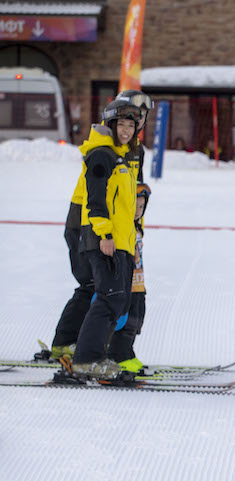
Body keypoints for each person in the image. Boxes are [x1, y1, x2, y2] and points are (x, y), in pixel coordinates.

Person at [41, 90, 152, 363]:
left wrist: (135, 230)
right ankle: (73, 347)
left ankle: (74, 344)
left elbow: (135, 193)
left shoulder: (132, 149)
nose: (136, 122)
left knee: (100, 288)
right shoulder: (105, 150)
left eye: (140, 116)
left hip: (113, 223)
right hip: (85, 221)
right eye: (126, 117)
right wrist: (105, 231)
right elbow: (96, 193)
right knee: (95, 285)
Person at [69, 99, 141, 378]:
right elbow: (95, 201)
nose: (125, 130)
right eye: (121, 125)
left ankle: (94, 355)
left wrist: (131, 243)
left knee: (116, 301)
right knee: (108, 298)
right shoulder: (102, 155)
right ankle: (86, 360)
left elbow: (124, 210)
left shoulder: (120, 157)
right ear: (110, 126)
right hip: (103, 239)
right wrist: (105, 234)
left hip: (122, 242)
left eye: (131, 126)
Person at [107, 183, 151, 373]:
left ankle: (127, 351)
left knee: (137, 318)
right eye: (134, 206)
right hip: (126, 283)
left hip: (138, 283)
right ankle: (118, 354)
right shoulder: (122, 228)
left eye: (141, 207)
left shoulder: (137, 227)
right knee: (125, 321)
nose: (137, 211)